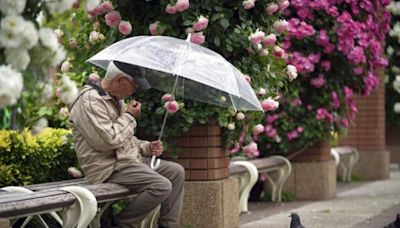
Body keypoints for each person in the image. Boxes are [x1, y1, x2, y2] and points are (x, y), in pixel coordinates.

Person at [69, 61, 185, 228]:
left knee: (176, 172)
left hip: (126, 162)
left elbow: (125, 139)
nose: (134, 90)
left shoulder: (116, 100)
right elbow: (107, 142)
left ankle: (168, 226)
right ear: (120, 80)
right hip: (107, 168)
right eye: (134, 85)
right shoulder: (89, 100)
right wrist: (129, 117)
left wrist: (147, 147)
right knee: (161, 186)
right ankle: (120, 225)